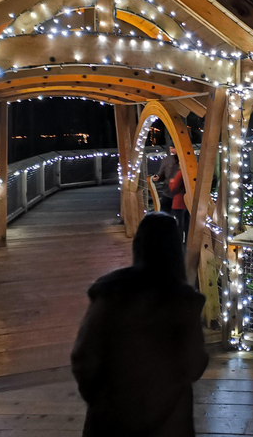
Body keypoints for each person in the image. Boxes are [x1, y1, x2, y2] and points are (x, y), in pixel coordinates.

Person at [71, 213, 208, 436]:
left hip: (110, 420)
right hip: (168, 421)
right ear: (176, 250)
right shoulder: (183, 301)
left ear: (138, 245)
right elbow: (194, 364)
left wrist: (100, 399)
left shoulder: (110, 293)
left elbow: (84, 356)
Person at [152, 145, 179, 213]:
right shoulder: (167, 160)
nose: (171, 151)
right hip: (168, 191)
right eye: (170, 148)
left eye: (173, 148)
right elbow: (161, 174)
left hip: (182, 193)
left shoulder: (187, 159)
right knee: (165, 214)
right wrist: (157, 177)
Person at [167, 167, 189, 242]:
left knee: (178, 226)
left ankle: (179, 244)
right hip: (189, 203)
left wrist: (171, 182)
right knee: (187, 226)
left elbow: (174, 188)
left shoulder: (181, 173)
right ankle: (187, 244)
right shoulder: (192, 172)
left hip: (179, 202)